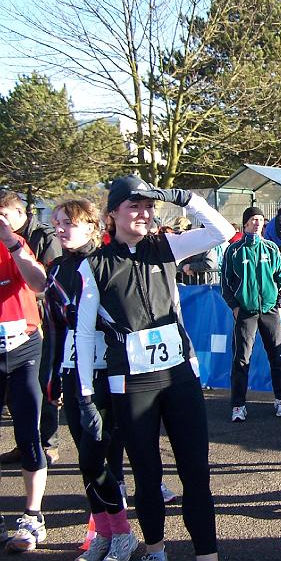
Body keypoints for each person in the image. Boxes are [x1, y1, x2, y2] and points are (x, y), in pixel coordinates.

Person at [73, 175, 234, 561]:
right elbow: (82, 334)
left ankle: (207, 554)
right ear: (112, 214)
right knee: (147, 476)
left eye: (149, 205)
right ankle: (156, 550)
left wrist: (183, 198)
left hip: (178, 376)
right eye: (134, 206)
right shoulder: (93, 265)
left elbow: (222, 231)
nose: (144, 213)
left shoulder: (164, 246)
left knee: (196, 472)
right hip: (129, 382)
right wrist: (85, 397)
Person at [45, 199, 137, 561]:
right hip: (72, 370)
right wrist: (51, 376)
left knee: (102, 456)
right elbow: (55, 328)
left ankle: (123, 535)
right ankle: (104, 532)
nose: (61, 229)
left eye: (69, 222)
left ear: (91, 226)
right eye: (57, 223)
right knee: (86, 460)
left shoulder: (101, 262)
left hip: (106, 371)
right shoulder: (54, 268)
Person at [0, 190, 62, 467]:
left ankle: (47, 443)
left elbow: (50, 281)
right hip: (15, 324)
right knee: (17, 394)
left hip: (42, 321)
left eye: (4, 215)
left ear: (20, 213)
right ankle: (24, 441)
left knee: (42, 384)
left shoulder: (42, 236)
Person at [0, 208, 49, 553]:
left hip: (23, 347)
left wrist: (11, 242)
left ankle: (33, 515)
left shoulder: (16, 244)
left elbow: (38, 282)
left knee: (28, 431)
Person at [222, 207, 281, 421]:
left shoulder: (271, 248)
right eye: (253, 219)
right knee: (241, 359)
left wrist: (279, 303)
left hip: (269, 309)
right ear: (245, 224)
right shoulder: (234, 250)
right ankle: (238, 405)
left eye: (260, 219)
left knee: (277, 357)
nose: (258, 223)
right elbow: (225, 282)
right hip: (245, 311)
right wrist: (234, 306)